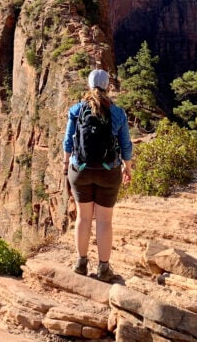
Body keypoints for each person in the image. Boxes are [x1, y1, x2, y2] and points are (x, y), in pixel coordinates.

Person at [62, 68, 132, 281]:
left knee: (83, 218)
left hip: (80, 170)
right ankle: (103, 269)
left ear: (89, 85)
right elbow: (126, 146)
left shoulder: (76, 110)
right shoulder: (118, 113)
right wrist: (127, 168)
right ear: (108, 86)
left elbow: (67, 142)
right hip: (108, 172)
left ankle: (81, 263)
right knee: (104, 221)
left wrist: (66, 166)